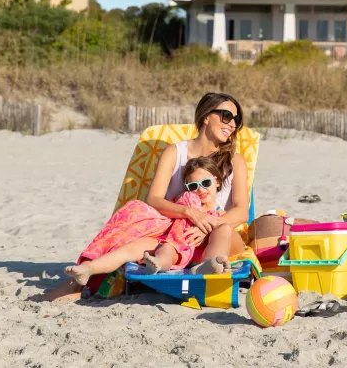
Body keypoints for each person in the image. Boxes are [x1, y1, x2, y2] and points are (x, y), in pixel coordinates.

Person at [43, 92, 249, 301]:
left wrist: (207, 224)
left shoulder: (235, 161)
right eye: (226, 116)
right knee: (133, 230)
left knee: (222, 230)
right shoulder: (175, 153)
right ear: (206, 116)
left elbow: (241, 210)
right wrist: (190, 213)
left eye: (236, 119)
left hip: (218, 234)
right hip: (177, 234)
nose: (232, 123)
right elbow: (154, 200)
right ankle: (79, 279)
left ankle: (208, 269)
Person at [62, 157, 227, 286]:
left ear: (217, 181)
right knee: (131, 249)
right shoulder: (184, 201)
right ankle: (89, 268)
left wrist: (205, 229)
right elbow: (163, 212)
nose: (200, 190)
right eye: (193, 186)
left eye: (206, 183)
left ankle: (165, 263)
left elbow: (224, 231)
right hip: (165, 239)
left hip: (191, 247)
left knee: (169, 249)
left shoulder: (221, 214)